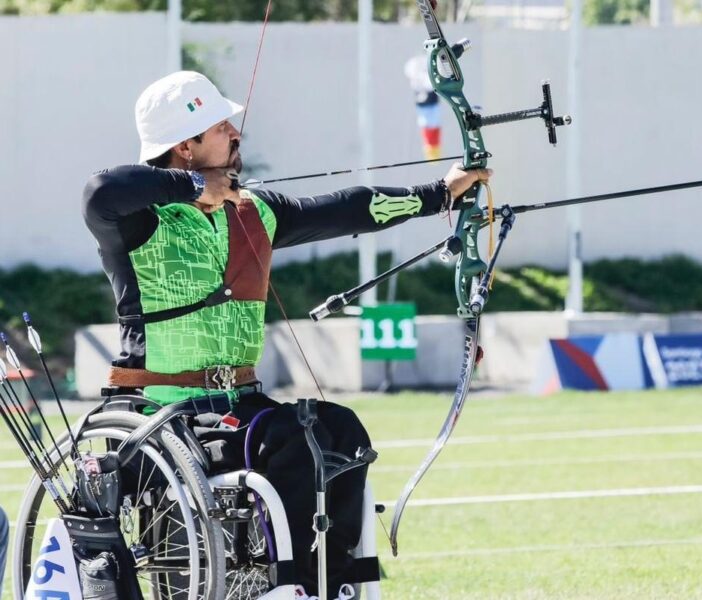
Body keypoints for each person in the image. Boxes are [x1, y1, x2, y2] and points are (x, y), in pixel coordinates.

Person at [82, 70, 491, 599]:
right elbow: (100, 191)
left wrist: (442, 194)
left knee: (339, 431)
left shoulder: (251, 212)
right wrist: (190, 187)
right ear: (186, 146)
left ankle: (333, 585)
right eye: (221, 128)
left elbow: (349, 208)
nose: (236, 135)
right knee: (292, 440)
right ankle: (289, 587)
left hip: (236, 406)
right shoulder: (138, 220)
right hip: (159, 413)